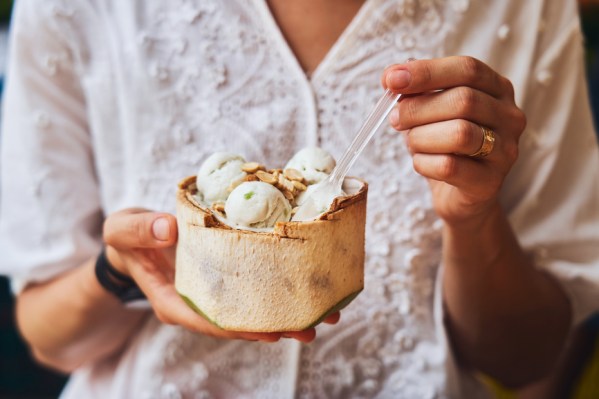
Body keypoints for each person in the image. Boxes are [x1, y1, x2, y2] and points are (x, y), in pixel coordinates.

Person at [1, 0, 598, 398]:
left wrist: (472, 219)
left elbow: (527, 359)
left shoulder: (522, 9)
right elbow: (49, 339)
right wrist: (118, 271)